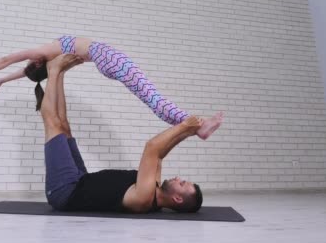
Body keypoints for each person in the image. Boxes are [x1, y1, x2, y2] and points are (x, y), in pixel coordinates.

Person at [0, 35, 223, 139]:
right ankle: (198, 126)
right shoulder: (45, 53)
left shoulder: (50, 60)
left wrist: (3, 79)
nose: (30, 57)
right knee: (151, 95)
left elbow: (27, 72)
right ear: (37, 60)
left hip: (105, 63)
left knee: (149, 96)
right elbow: (9, 59)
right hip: (107, 58)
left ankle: (196, 126)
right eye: (32, 59)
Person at [41, 54, 204, 213]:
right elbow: (160, 155)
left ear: (177, 199)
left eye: (182, 184)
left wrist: (184, 125)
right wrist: (189, 132)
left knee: (53, 124)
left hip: (65, 191)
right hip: (81, 180)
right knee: (63, 126)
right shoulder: (152, 186)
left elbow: (152, 147)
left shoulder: (144, 199)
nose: (178, 178)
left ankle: (53, 70)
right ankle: (60, 72)